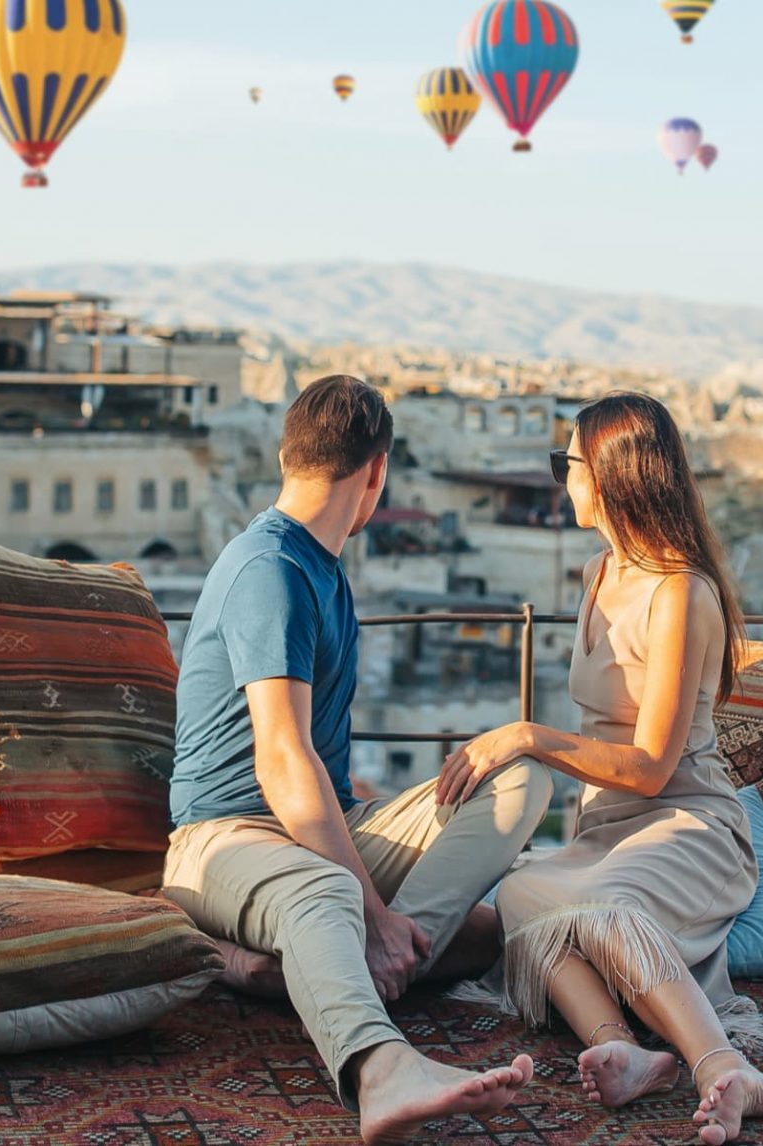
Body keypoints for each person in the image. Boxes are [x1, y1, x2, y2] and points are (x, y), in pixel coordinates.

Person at [163, 375, 552, 1143]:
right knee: (328, 897)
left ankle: (346, 965)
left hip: (320, 822)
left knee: (519, 790)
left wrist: (383, 916)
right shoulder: (270, 570)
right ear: (377, 471)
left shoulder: (321, 566)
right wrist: (370, 910)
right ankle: (381, 1065)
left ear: (288, 455)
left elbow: (312, 765)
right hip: (226, 837)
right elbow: (280, 760)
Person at [439, 392, 763, 1145]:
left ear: (607, 474)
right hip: (604, 830)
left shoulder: (681, 592)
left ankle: (724, 1067)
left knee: (604, 903)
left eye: (566, 463)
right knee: (527, 891)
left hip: (687, 824)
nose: (560, 477)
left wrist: (530, 737)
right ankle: (618, 1045)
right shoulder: (599, 572)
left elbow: (655, 767)